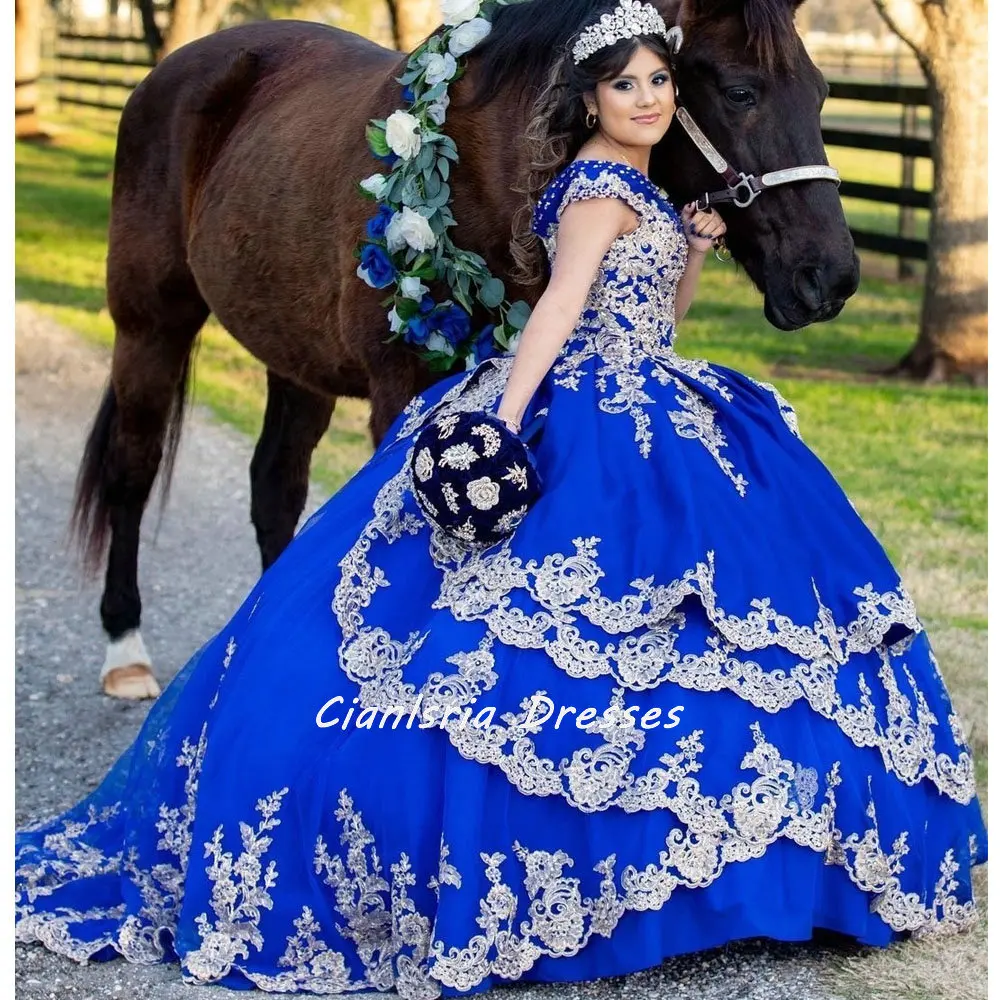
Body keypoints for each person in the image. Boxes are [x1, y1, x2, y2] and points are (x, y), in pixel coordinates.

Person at [15, 1, 985, 994]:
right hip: (583, 392)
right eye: (627, 85)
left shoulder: (645, 193)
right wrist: (497, 419)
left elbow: (656, 314)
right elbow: (559, 310)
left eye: (659, 82)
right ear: (591, 95)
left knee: (662, 609)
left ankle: (663, 831)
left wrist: (692, 245)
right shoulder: (597, 190)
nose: (647, 99)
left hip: (648, 395)